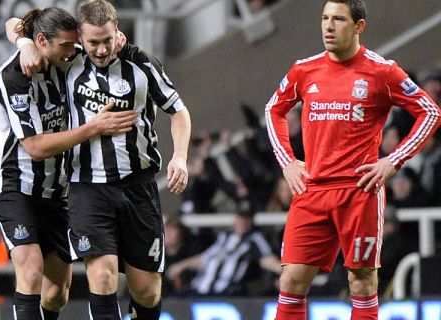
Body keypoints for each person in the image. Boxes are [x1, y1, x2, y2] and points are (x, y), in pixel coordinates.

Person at [264, 0, 441, 319]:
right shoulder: (305, 69)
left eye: (339, 19)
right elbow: (273, 109)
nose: (329, 26)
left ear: (359, 26)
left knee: (360, 282)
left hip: (359, 190)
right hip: (312, 189)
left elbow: (430, 111)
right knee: (290, 279)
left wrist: (393, 160)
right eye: (325, 18)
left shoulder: (382, 71)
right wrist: (288, 161)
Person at [14, 1, 191, 318]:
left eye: (107, 40)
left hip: (139, 187)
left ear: (117, 32)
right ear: (80, 38)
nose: (100, 48)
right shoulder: (68, 63)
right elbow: (15, 23)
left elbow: (178, 111)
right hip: (88, 187)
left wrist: (180, 156)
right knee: (104, 275)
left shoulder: (141, 64)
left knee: (147, 291)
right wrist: (24, 42)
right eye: (93, 42)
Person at [0, 7, 137, 320]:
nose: (73, 52)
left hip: (57, 186)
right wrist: (94, 127)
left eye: (74, 45)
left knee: (57, 293)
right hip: (13, 180)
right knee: (30, 269)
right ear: (42, 41)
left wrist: (118, 40)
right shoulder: (15, 77)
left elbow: (15, 23)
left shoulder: (71, 57)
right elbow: (36, 148)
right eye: (65, 46)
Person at [166, 208, 282, 296]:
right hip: (199, 289)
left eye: (246, 219)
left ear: (251, 222)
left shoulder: (255, 240)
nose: (242, 222)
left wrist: (288, 276)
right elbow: (205, 258)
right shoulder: (224, 236)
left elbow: (268, 260)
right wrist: (181, 266)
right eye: (240, 218)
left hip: (224, 293)